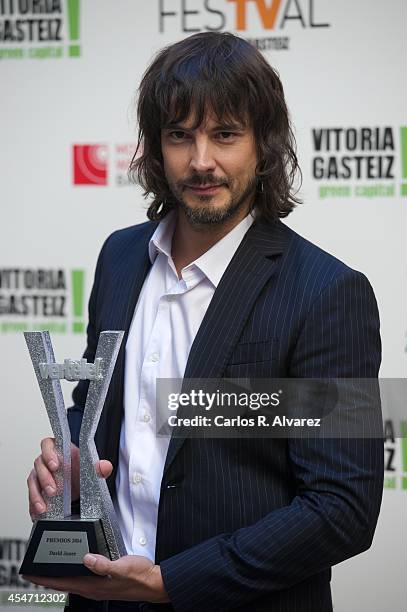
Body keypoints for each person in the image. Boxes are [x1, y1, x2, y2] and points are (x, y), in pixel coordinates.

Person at [26, 32, 383, 611]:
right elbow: (98, 410)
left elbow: (342, 508)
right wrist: (66, 464)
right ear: (153, 147)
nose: (200, 161)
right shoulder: (120, 257)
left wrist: (168, 585)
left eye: (224, 135)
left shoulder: (327, 293)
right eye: (179, 136)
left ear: (263, 146)